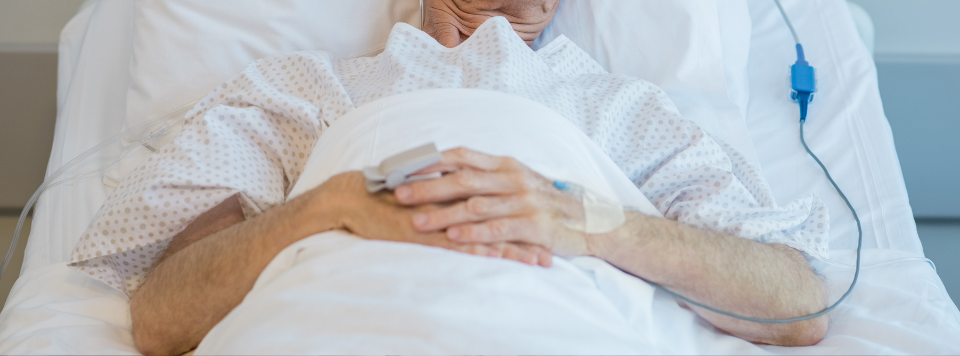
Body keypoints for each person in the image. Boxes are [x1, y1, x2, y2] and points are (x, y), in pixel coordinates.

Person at [69, 1, 830, 354]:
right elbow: (163, 321)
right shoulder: (298, 91)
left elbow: (795, 305)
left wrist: (590, 220)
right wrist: (326, 209)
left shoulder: (626, 108)